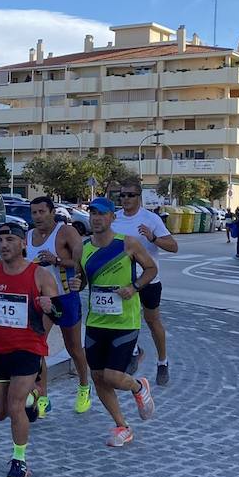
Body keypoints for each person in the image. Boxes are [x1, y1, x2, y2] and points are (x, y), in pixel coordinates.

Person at [0, 222, 61, 477]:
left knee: (15, 404)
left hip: (27, 348)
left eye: (10, 239)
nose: (4, 245)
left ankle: (19, 460)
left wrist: (48, 308)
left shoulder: (40, 276)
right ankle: (34, 393)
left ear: (23, 244)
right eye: (0, 240)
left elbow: (60, 313)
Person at [79, 198, 159, 448]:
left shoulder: (127, 243)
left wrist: (134, 287)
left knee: (113, 376)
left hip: (125, 321)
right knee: (98, 377)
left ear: (113, 217)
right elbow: (82, 281)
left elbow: (151, 269)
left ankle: (137, 386)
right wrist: (75, 285)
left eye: (102, 214)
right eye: (92, 213)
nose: (96, 218)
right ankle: (122, 426)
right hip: (96, 321)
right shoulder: (83, 249)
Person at [25, 196, 92, 414]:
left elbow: (80, 264)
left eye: (42, 212)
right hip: (42, 300)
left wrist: (56, 261)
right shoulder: (29, 235)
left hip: (65, 297)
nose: (37, 216)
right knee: (36, 347)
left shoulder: (66, 232)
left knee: (73, 347)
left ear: (52, 212)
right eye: (34, 212)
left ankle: (84, 386)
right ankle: (42, 397)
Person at [110, 184, 178, 386]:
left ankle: (162, 362)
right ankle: (133, 351)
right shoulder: (115, 218)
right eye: (122, 195)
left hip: (148, 279)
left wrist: (153, 238)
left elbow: (173, 247)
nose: (126, 199)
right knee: (124, 320)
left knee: (152, 321)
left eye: (130, 195)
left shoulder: (151, 219)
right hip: (123, 280)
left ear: (139, 197)